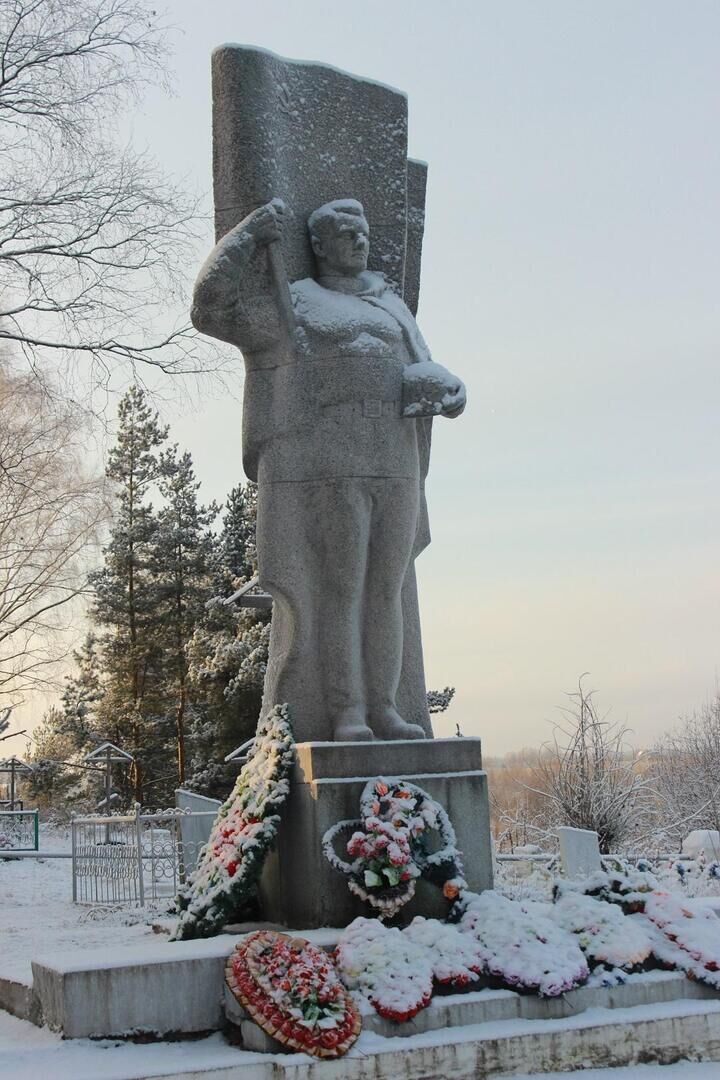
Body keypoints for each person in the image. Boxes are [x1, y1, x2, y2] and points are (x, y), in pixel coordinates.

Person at [191, 198, 465, 743]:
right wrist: (247, 237)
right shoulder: (298, 306)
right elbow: (210, 309)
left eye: (363, 231)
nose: (359, 241)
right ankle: (347, 711)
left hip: (394, 461)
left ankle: (385, 707)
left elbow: (422, 368)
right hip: (333, 466)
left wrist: (447, 391)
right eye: (346, 232)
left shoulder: (391, 308)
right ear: (319, 244)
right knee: (343, 588)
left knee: (386, 589)